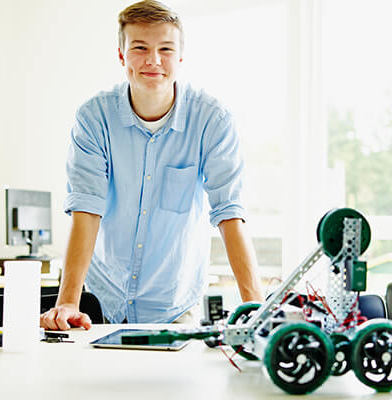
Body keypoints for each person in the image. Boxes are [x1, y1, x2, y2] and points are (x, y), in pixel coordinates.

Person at [40, 0, 263, 331]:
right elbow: (86, 209)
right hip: (102, 301)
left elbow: (229, 212)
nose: (153, 60)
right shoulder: (93, 119)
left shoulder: (211, 120)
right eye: (140, 47)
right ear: (122, 55)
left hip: (175, 304)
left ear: (180, 57)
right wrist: (68, 302)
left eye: (166, 49)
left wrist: (254, 307)